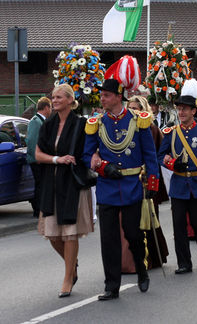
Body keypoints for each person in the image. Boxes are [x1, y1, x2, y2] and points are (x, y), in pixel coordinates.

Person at [83, 79, 159, 300]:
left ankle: (141, 270)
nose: (102, 99)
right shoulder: (97, 123)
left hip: (132, 185)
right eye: (102, 95)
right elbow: (87, 154)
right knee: (108, 238)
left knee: (133, 234)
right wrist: (104, 166)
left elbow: (149, 154)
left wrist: (153, 182)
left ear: (118, 96)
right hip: (107, 186)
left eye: (106, 95)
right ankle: (111, 285)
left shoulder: (139, 121)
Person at [36, 84, 94, 297]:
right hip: (51, 182)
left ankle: (68, 277)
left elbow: (88, 151)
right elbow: (37, 154)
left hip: (72, 182)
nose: (55, 100)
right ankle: (72, 264)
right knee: (52, 234)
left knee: (70, 233)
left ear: (71, 99)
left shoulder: (81, 123)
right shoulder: (48, 124)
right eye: (53, 97)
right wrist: (56, 159)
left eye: (59, 97)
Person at [158, 78, 197, 273]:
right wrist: (172, 163)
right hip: (178, 185)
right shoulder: (171, 132)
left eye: (185, 109)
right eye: (179, 108)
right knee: (178, 227)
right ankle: (184, 263)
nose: (181, 112)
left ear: (194, 111)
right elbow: (161, 156)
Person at [120, 96, 169, 272]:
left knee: (149, 218)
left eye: (137, 108)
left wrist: (152, 180)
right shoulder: (124, 127)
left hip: (146, 179)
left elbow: (157, 155)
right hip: (128, 180)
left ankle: (152, 257)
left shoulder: (152, 129)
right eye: (131, 107)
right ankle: (130, 259)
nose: (134, 111)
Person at [26, 97, 52, 218]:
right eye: (50, 107)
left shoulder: (42, 121)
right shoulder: (35, 121)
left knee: (42, 184)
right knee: (40, 184)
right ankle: (38, 210)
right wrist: (38, 157)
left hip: (41, 159)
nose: (51, 110)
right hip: (37, 161)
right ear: (46, 107)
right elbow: (31, 141)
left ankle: (41, 209)